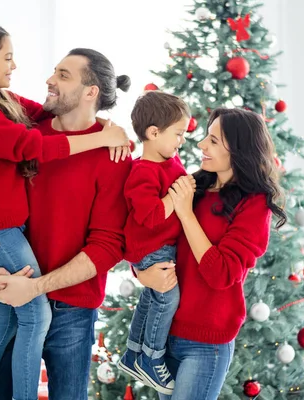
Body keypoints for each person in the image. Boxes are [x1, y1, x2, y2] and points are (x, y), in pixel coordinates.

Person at [0, 20, 130, 400]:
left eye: (62, 74)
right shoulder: (30, 129)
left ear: (90, 91)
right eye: (53, 70)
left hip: (70, 311)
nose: (48, 79)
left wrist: (36, 287)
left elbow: (109, 245)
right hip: (12, 291)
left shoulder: (113, 155)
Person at [136, 108, 288, 400]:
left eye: (214, 141)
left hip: (205, 345)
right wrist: (142, 273)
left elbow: (222, 274)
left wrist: (185, 212)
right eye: (206, 136)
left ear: (239, 150)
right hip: (162, 337)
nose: (201, 145)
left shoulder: (254, 205)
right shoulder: (191, 186)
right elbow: (147, 235)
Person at [117, 91, 193, 394]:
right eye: (178, 134)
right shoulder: (142, 172)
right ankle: (151, 358)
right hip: (150, 247)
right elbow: (149, 216)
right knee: (167, 298)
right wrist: (176, 197)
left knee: (151, 297)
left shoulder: (170, 161)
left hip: (164, 245)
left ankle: (133, 352)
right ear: (153, 132)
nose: (181, 141)